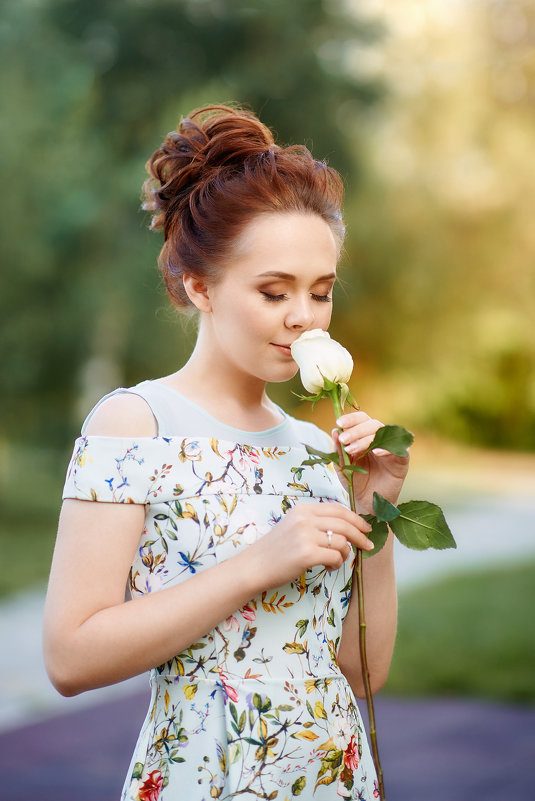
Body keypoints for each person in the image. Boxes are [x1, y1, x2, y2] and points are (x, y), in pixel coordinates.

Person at [43, 105, 409, 801]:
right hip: (206, 774)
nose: (302, 315)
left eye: (320, 291)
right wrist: (257, 564)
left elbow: (361, 673)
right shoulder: (135, 423)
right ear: (199, 286)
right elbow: (69, 656)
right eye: (274, 291)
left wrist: (375, 506)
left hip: (333, 778)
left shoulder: (314, 447)